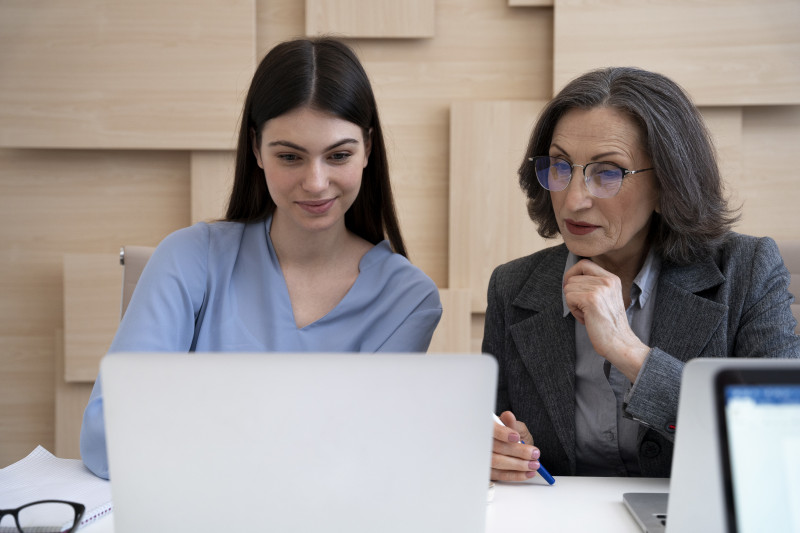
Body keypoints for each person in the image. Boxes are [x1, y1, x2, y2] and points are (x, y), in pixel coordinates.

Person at [80, 37, 442, 479]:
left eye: (339, 155)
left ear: (367, 149)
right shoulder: (189, 257)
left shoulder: (407, 300)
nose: (315, 182)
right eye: (290, 156)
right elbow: (106, 436)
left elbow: (356, 460)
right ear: (256, 149)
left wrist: (192, 423)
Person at [484, 66, 800, 481]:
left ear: (667, 184)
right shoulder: (513, 288)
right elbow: (492, 430)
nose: (574, 199)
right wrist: (500, 452)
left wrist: (629, 352)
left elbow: (781, 445)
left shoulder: (747, 269)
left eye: (607, 172)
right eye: (561, 165)